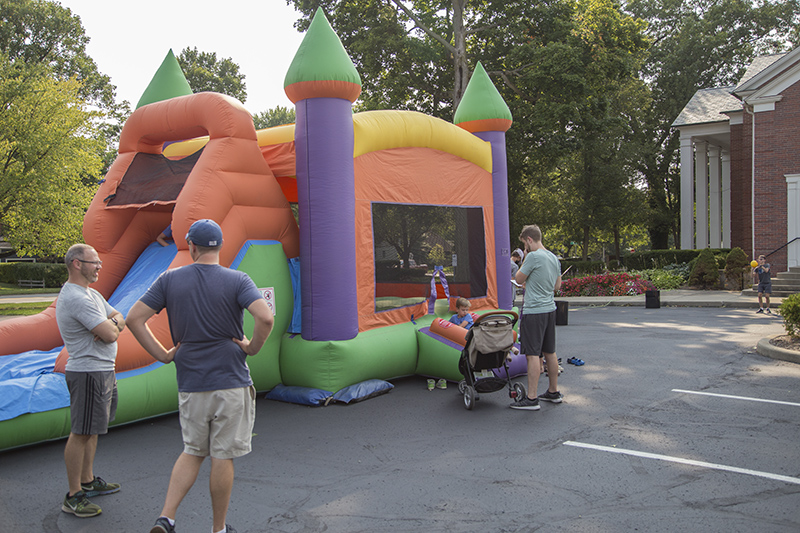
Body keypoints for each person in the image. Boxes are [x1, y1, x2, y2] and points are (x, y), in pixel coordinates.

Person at [127, 219, 274, 533]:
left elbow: (134, 319)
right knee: (223, 455)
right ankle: (218, 528)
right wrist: (251, 348)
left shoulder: (170, 279)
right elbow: (265, 317)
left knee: (193, 450)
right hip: (231, 381)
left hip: (192, 382)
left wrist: (164, 354)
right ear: (219, 246)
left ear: (191, 246)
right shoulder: (237, 279)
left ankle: (166, 518)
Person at [55, 244, 124, 518]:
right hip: (87, 372)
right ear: (76, 264)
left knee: (93, 429)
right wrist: (111, 328)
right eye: (94, 262)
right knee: (81, 432)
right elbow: (109, 334)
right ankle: (73, 496)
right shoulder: (75, 297)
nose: (99, 267)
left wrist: (114, 324)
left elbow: (120, 318)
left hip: (103, 369)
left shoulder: (92, 294)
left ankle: (87, 479)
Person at [511, 225, 563, 411]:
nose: (525, 246)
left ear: (529, 240)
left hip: (534, 311)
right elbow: (557, 286)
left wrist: (525, 257)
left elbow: (518, 278)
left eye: (524, 243)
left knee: (532, 354)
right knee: (550, 351)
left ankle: (532, 398)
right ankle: (553, 391)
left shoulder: (532, 256)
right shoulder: (553, 257)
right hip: (550, 309)